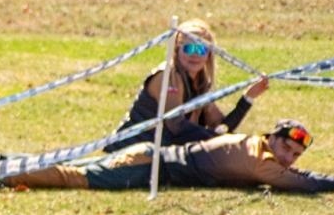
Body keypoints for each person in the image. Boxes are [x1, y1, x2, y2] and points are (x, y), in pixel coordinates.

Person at [0, 119, 334, 193]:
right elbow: (297, 184)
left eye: (297, 154)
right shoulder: (257, 158)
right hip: (148, 167)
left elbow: (295, 175)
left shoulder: (252, 143)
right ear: (272, 139)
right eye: (288, 147)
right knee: (72, 177)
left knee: (74, 167)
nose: (291, 158)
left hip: (149, 159)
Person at [106, 19, 270, 151]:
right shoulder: (167, 76)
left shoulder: (200, 84)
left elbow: (223, 127)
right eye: (189, 48)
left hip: (162, 153)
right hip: (130, 150)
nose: (194, 55)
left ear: (209, 55)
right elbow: (176, 127)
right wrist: (218, 138)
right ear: (177, 50)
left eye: (201, 50)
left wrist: (248, 97)